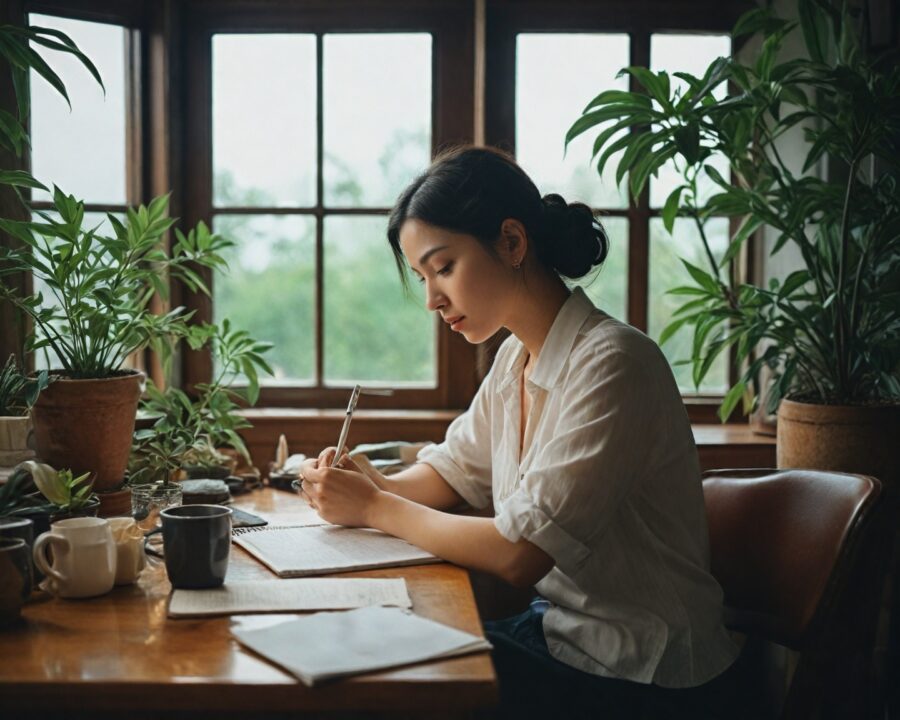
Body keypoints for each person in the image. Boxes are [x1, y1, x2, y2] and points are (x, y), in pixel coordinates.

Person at [300, 146, 740, 718]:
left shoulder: (614, 363)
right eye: (423, 278)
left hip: (644, 671)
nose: (432, 299)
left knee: (392, 680)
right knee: (378, 652)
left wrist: (374, 506)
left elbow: (519, 554)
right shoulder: (515, 358)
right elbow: (451, 473)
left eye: (443, 268)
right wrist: (363, 483)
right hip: (561, 636)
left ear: (511, 242)